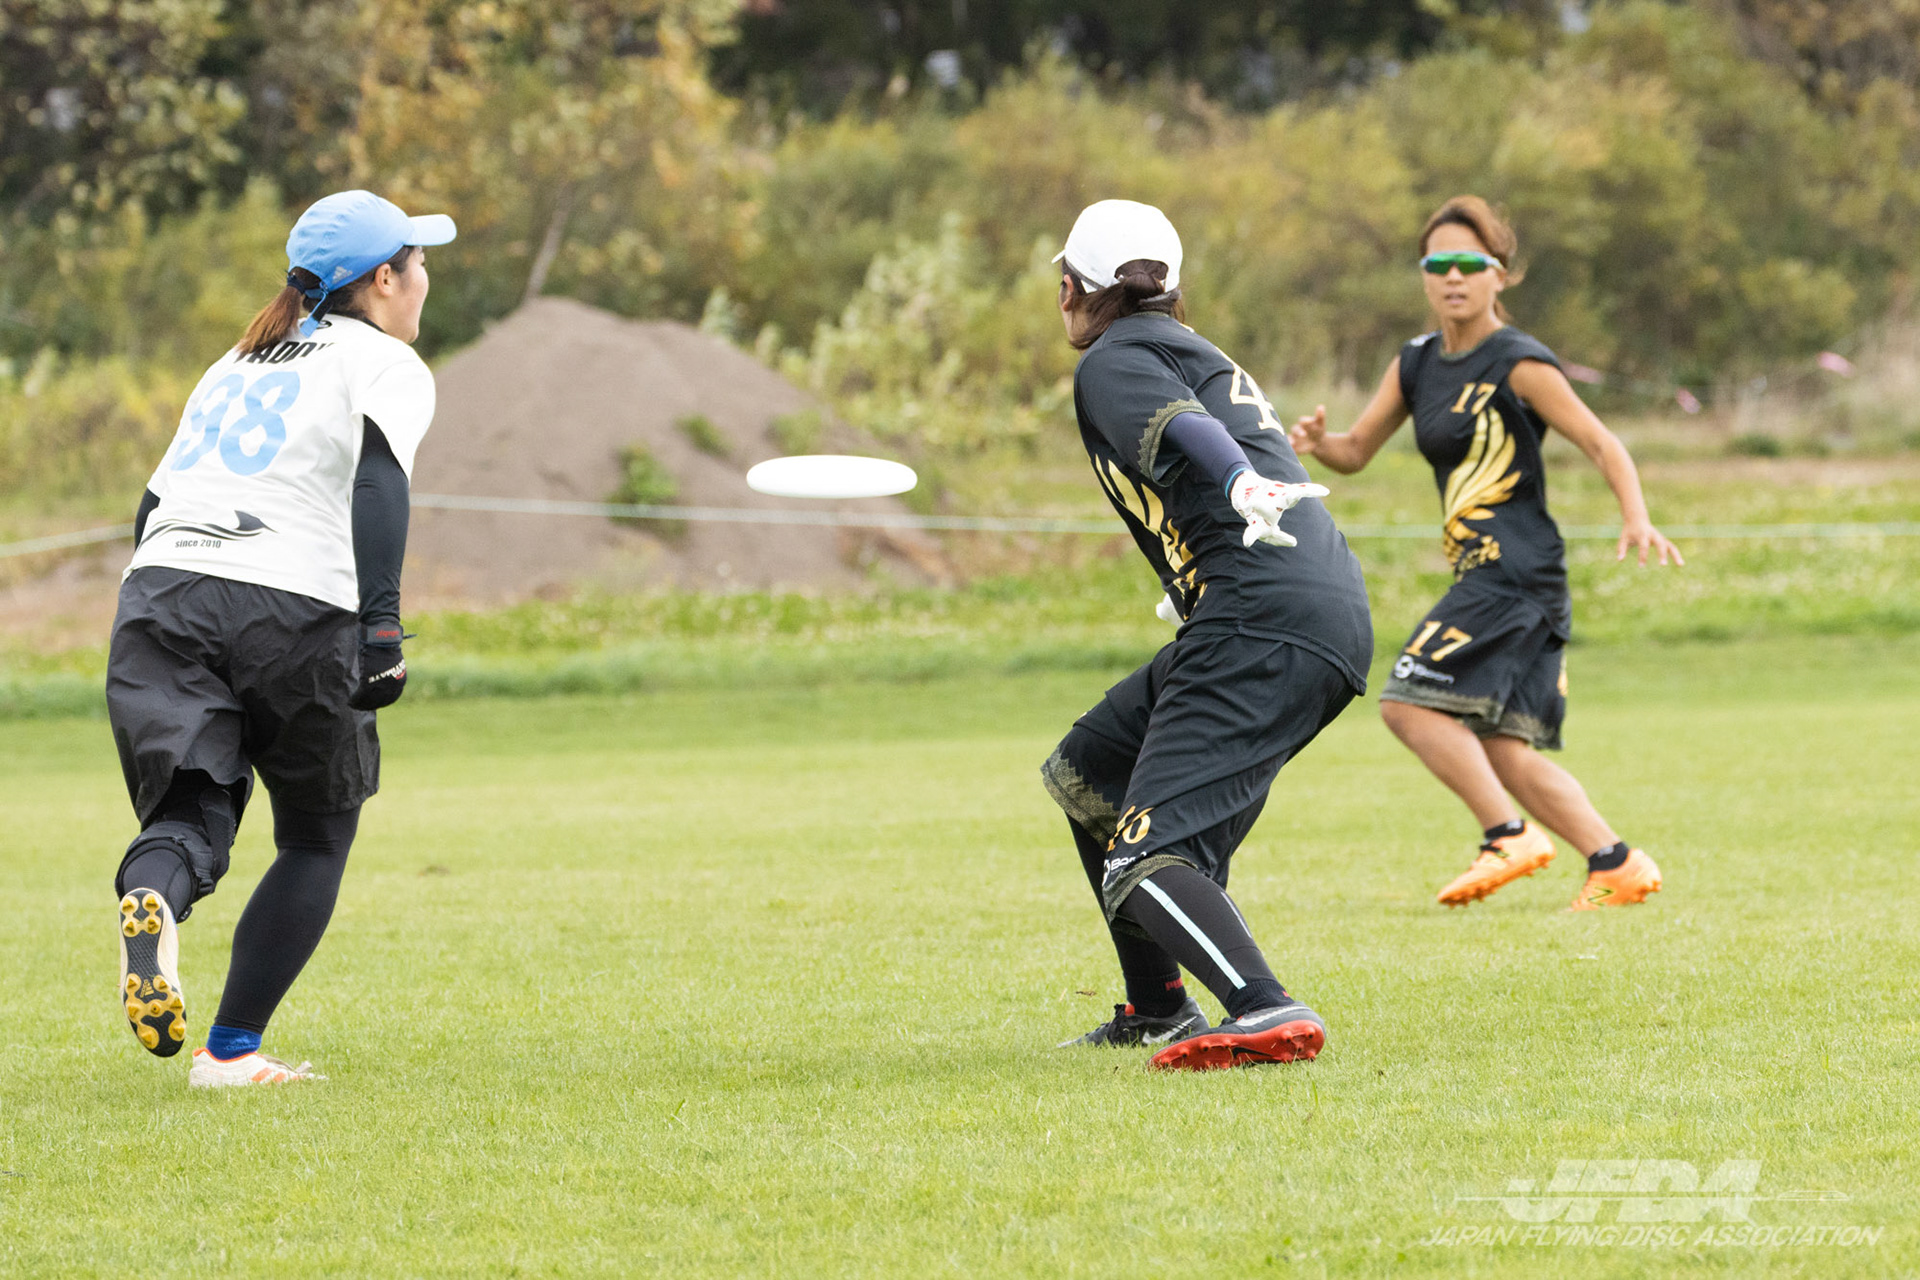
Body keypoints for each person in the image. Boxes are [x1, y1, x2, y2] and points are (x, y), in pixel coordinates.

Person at [109, 190, 454, 1087]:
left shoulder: (236, 360)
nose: (426, 278)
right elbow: (378, 485)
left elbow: (152, 506)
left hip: (160, 592)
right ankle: (230, 1051)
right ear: (384, 280)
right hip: (291, 606)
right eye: (419, 263)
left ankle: (152, 900)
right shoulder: (386, 362)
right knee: (314, 837)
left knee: (188, 811)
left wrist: (168, 606)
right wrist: (383, 629)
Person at [1042, 200, 1373, 1070]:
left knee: (1147, 854)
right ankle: (1158, 1009)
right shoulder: (1190, 347)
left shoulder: (1114, 358)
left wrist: (1236, 484)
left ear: (1071, 287)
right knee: (1089, 771)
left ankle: (1264, 1006)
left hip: (1262, 615)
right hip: (1299, 605)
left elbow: (1194, 433)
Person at [1290, 195, 1681, 911]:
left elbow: (1600, 441)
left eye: (1470, 263)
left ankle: (1507, 835)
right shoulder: (1415, 363)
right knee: (1502, 748)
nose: (1453, 276)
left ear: (1501, 274)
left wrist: (1636, 515)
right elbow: (1356, 451)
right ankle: (1616, 863)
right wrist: (1320, 445)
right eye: (1438, 263)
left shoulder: (1518, 361)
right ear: (1423, 274)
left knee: (1408, 703)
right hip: (1492, 574)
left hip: (1516, 573)